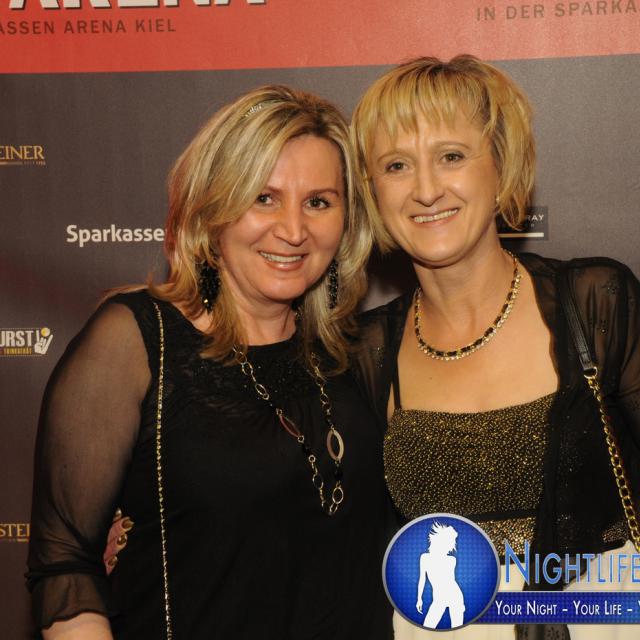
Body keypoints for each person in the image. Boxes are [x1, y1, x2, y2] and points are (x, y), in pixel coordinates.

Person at [27, 85, 395, 639]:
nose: (293, 230)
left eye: (318, 202)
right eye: (264, 198)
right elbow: (64, 566)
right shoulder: (136, 341)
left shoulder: (350, 353)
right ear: (214, 207)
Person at [350, 55, 640, 639]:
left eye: (451, 156)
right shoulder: (365, 350)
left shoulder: (595, 302)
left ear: (502, 165)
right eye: (397, 165)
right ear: (372, 190)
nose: (426, 189)